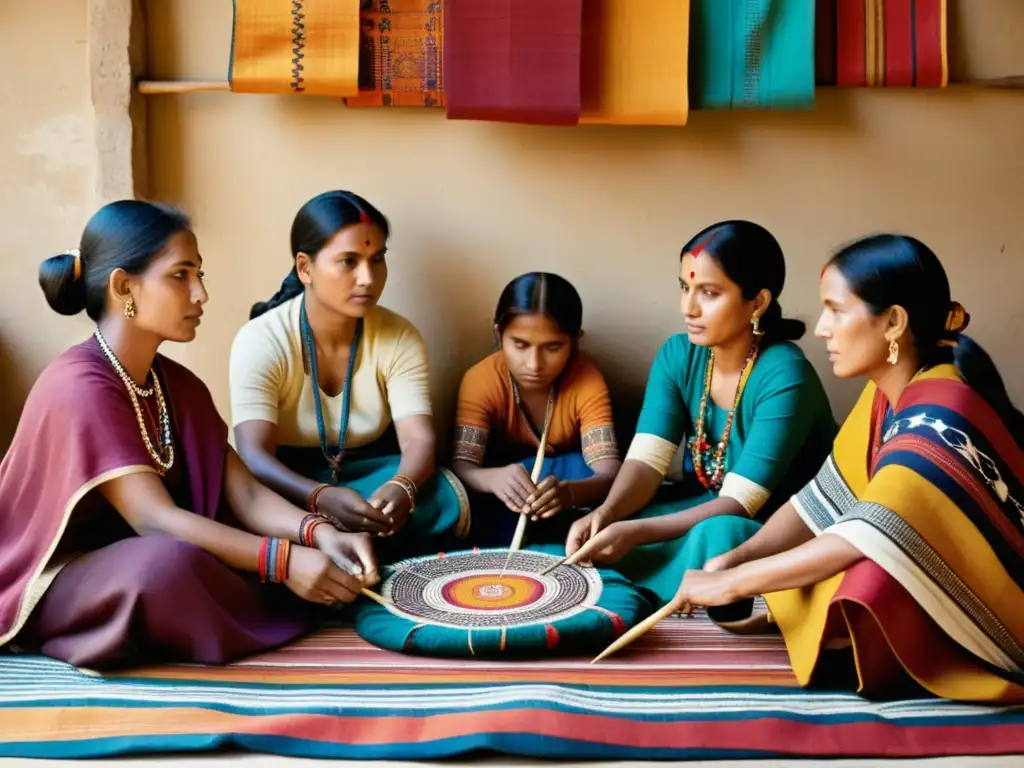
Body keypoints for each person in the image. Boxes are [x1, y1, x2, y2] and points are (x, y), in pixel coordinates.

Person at [0, 201, 378, 669]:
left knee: (208, 556)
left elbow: (245, 495)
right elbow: (155, 521)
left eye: (199, 274)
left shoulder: (174, 383)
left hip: (147, 550)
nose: (200, 294)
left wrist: (318, 533)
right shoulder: (79, 385)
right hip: (55, 577)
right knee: (167, 568)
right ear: (124, 287)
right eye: (180, 275)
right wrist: (284, 562)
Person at [665, 235, 1024, 703]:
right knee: (826, 567)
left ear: (893, 322)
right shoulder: (886, 392)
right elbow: (822, 498)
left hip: (1009, 603)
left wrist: (731, 582)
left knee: (868, 576)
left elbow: (861, 535)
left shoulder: (940, 409)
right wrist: (740, 557)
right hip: (918, 557)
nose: (821, 329)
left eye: (836, 310)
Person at [566, 221, 837, 606]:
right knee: (590, 532)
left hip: (772, 527)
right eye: (684, 287)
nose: (688, 307)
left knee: (719, 535)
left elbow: (741, 504)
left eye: (708, 292)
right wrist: (609, 515)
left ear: (757, 302)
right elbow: (646, 464)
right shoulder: (680, 355)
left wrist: (635, 532)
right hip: (706, 507)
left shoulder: (785, 373)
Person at [230, 191, 469, 563]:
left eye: (377, 260)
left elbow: (419, 438)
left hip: (370, 475)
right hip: (288, 483)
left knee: (441, 494)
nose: (367, 278)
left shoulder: (399, 336)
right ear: (305, 268)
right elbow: (254, 456)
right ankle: (354, 551)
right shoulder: (261, 340)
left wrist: (401, 488)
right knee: (244, 508)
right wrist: (320, 497)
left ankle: (351, 551)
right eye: (348, 262)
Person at [452, 272, 622, 547]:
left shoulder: (587, 381)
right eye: (520, 344)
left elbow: (610, 473)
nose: (534, 363)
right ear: (498, 334)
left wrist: (570, 494)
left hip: (564, 496)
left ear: (576, 340)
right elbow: (462, 467)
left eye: (553, 347)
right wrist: (494, 478)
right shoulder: (481, 380)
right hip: (507, 497)